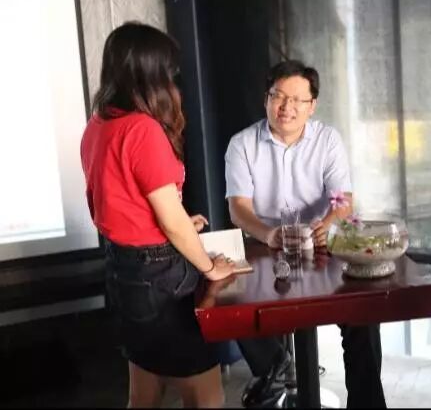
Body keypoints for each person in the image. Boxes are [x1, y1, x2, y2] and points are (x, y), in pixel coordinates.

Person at [80, 22, 235, 408]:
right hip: (159, 275)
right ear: (150, 73)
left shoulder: (98, 126)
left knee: (144, 392)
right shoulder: (142, 129)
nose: (172, 78)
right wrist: (209, 266)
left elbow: (119, 202)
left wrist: (178, 223)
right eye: (168, 70)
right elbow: (169, 220)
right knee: (206, 395)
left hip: (123, 270)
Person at [225, 59, 385, 408]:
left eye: (297, 99)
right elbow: (238, 208)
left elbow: (343, 199)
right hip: (264, 246)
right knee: (233, 299)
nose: (287, 107)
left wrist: (327, 224)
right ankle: (278, 370)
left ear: (312, 105)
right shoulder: (242, 144)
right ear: (266, 99)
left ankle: (368, 402)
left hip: (320, 247)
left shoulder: (327, 140)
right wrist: (268, 234)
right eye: (278, 96)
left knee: (362, 315)